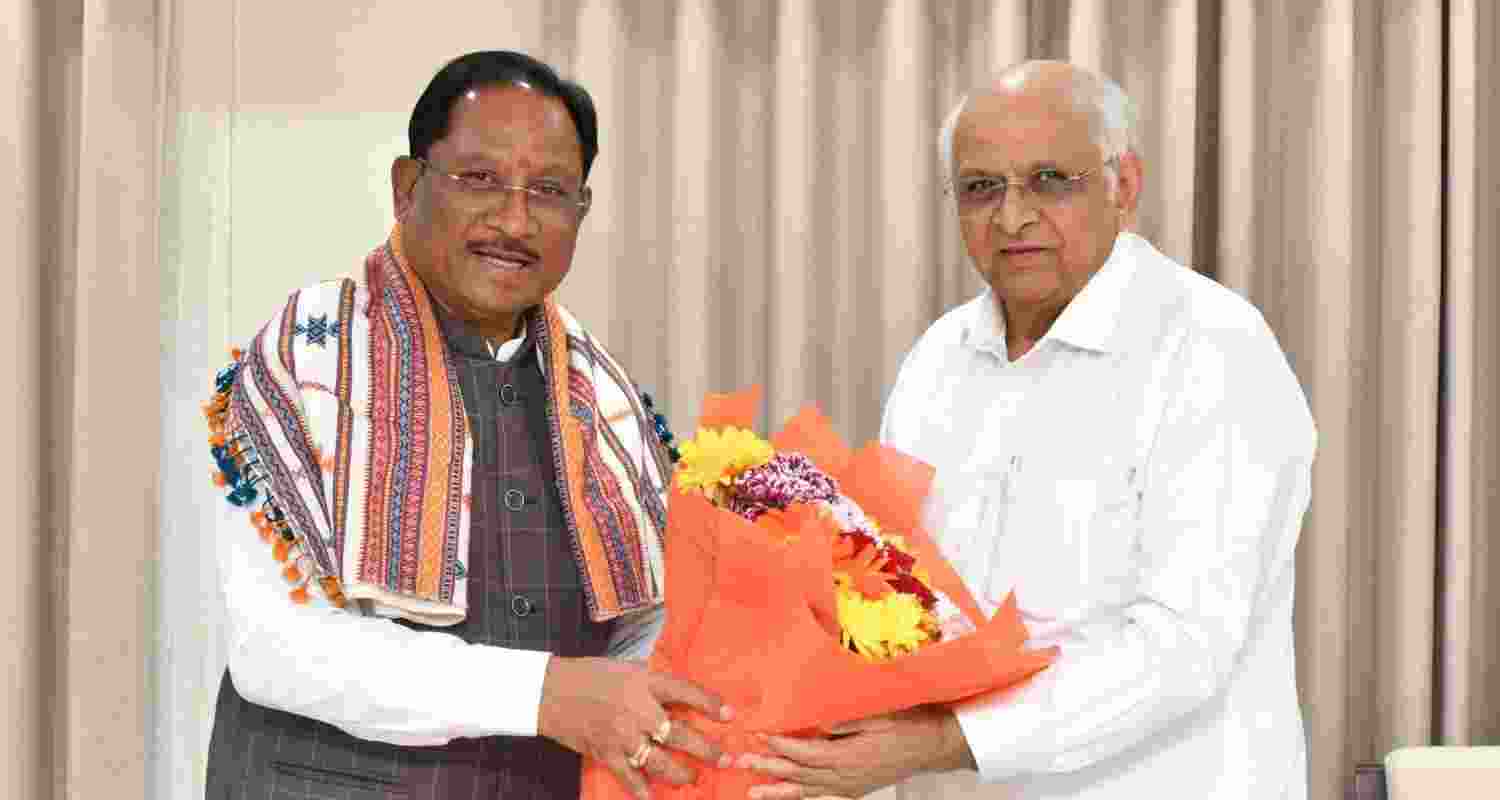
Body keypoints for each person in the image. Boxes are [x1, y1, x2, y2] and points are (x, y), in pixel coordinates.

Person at [738, 60, 1316, 799]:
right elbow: (896, 591)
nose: (1012, 217)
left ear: (1124, 185)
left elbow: (1182, 645)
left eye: (1049, 180)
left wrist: (944, 742)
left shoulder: (1213, 348)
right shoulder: (939, 358)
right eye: (982, 188)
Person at [202, 50, 728, 800]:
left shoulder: (605, 400)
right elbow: (274, 647)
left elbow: (642, 627)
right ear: (407, 187)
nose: (515, 220)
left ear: (581, 211)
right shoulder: (309, 361)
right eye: (480, 179)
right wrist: (542, 694)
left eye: (549, 190)